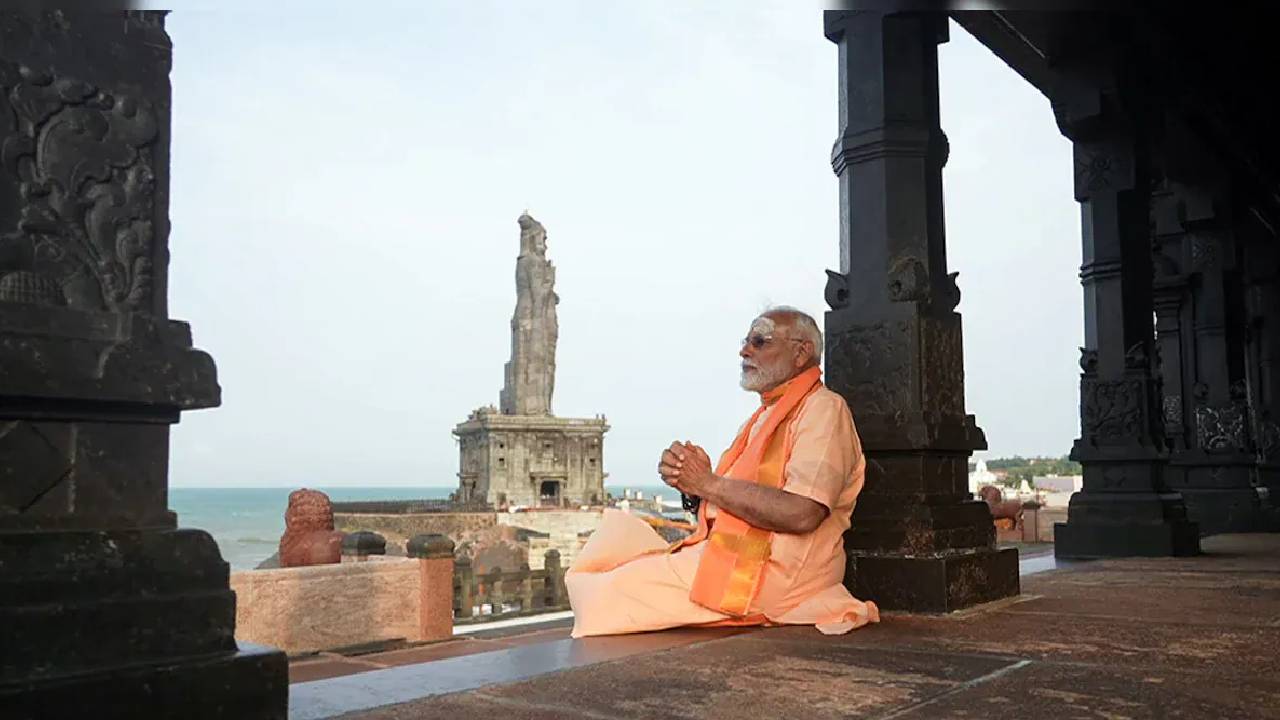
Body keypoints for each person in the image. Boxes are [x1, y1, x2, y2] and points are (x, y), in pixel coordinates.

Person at [566, 306, 880, 637]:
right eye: (746, 341)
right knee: (610, 550)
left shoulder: (823, 409)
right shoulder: (763, 418)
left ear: (801, 352)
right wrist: (690, 485)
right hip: (737, 557)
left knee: (598, 593)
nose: (745, 350)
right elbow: (730, 502)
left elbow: (802, 512)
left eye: (760, 341)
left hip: (778, 573)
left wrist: (707, 482)